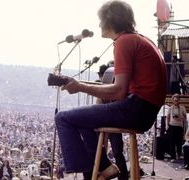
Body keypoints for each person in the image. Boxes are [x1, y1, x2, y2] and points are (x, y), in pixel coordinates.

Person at [54, 1, 167, 179]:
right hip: (145, 111)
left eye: (100, 20)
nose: (99, 24)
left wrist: (79, 87)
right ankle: (105, 167)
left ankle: (90, 172)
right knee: (84, 119)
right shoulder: (140, 39)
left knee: (63, 118)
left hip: (136, 110)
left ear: (110, 20)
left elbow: (119, 91)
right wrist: (81, 86)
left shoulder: (124, 42)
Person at [96, 63, 128, 180]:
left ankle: (123, 176)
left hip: (113, 122)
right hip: (106, 122)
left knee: (117, 152)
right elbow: (98, 105)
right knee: (109, 151)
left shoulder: (116, 87)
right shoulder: (101, 87)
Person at [166, 93, 187, 161]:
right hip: (172, 126)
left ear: (179, 100)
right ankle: (173, 157)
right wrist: (167, 125)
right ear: (173, 100)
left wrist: (180, 118)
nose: (176, 101)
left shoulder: (182, 108)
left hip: (179, 126)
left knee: (179, 142)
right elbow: (167, 117)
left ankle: (179, 154)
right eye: (175, 100)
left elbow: (185, 117)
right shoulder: (170, 108)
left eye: (177, 100)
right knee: (172, 142)